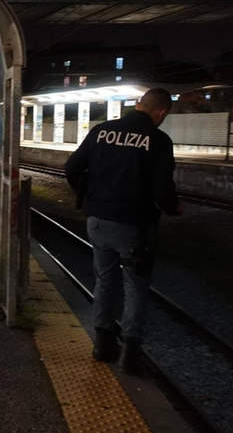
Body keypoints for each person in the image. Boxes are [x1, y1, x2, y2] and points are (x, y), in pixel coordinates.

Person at [64, 88, 181, 375]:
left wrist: (86, 194)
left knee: (105, 280)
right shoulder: (158, 140)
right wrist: (173, 208)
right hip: (134, 225)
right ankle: (130, 351)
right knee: (135, 286)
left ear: (139, 104)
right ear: (161, 112)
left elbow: (71, 168)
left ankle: (102, 344)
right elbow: (162, 188)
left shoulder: (102, 131)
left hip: (98, 221)